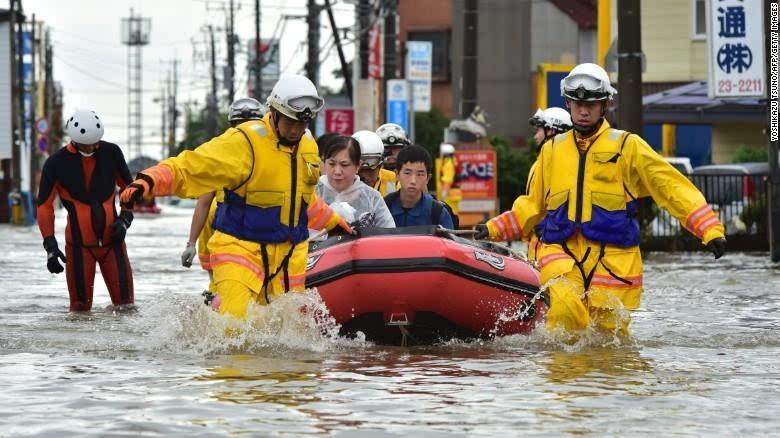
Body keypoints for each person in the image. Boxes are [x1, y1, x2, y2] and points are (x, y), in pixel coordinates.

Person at [475, 63, 727, 337]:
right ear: (569, 104)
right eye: (578, 104)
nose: (584, 111)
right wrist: (493, 228)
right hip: (562, 254)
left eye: (592, 105)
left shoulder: (627, 146)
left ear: (605, 105)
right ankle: (563, 379)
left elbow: (670, 186)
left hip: (613, 259)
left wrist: (709, 230)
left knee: (608, 338)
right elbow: (532, 205)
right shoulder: (550, 151)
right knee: (564, 316)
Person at [120, 73, 353, 319]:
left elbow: (303, 201)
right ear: (273, 112)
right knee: (234, 329)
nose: (296, 129)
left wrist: (335, 224)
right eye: (290, 122)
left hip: (287, 258)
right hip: (240, 251)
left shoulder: (308, 146)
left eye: (302, 124)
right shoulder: (244, 142)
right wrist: (148, 181)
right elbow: (191, 166)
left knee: (287, 333)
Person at [37, 109, 135, 311]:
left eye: (94, 143)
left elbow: (129, 188)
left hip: (113, 242)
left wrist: (125, 219)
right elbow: (45, 206)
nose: (91, 147)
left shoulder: (112, 153)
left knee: (127, 307)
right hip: (78, 247)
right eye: (86, 144)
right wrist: (50, 246)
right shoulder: (56, 163)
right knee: (80, 311)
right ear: (74, 139)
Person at [180, 97, 266, 293]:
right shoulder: (221, 156)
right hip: (224, 227)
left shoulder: (274, 154)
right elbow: (203, 203)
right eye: (241, 127)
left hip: (260, 228)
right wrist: (191, 243)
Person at [524, 107, 573, 261]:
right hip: (540, 246)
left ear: (551, 130)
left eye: (539, 130)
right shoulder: (542, 162)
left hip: (551, 247)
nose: (535, 136)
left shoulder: (561, 164)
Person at [316, 135, 395, 228]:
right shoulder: (312, 194)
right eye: (332, 164)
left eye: (344, 165)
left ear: (358, 166)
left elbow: (388, 233)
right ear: (324, 163)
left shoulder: (372, 198)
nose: (337, 172)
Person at [384, 145, 454, 228]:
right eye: (407, 173)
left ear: (428, 178)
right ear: (397, 174)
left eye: (420, 174)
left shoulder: (437, 212)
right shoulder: (384, 207)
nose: (413, 181)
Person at [353, 130, 397, 196]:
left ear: (380, 166)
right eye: (360, 171)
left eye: (370, 170)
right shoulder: (340, 181)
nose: (365, 176)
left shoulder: (393, 179)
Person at [438, 143, 462, 223]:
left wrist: (443, 196)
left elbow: (448, 181)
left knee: (449, 215)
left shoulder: (448, 164)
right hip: (455, 193)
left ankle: (452, 231)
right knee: (454, 213)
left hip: (450, 194)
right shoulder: (453, 161)